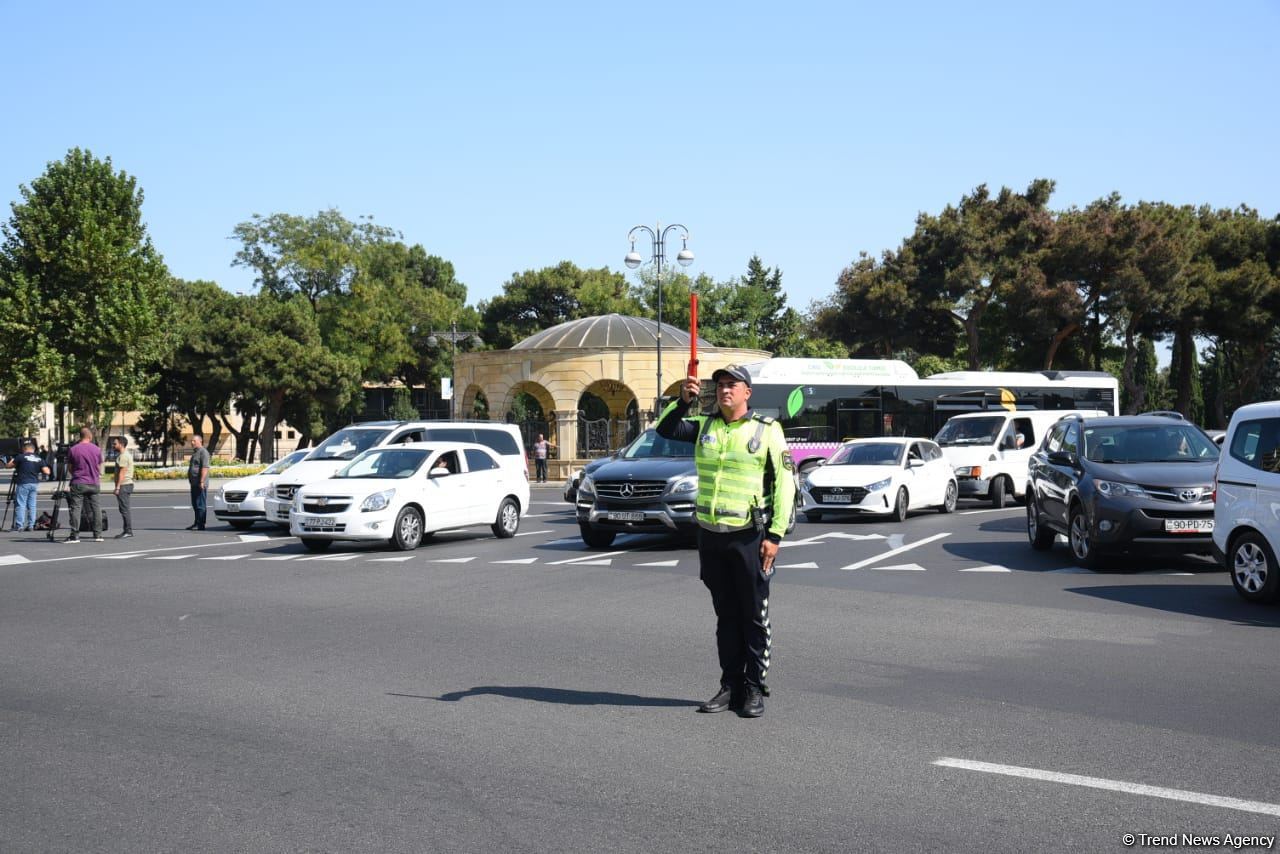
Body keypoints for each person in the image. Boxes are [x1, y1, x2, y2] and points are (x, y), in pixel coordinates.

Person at [656, 364, 795, 718]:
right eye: (719, 385)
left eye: (732, 385)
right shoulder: (705, 425)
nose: (723, 390)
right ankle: (730, 684)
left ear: (747, 392)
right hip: (711, 536)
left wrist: (775, 536)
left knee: (752, 616)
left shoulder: (766, 430)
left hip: (750, 536)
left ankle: (753, 688)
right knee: (725, 616)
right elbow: (666, 428)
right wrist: (682, 401)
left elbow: (785, 486)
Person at [64, 427, 104, 543]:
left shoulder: (73, 449)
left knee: (76, 508)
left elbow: (70, 468)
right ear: (90, 436)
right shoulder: (97, 449)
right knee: (96, 508)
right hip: (94, 482)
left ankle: (75, 535)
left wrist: (76, 475)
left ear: (80, 436)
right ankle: (98, 535)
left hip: (79, 482)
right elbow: (99, 467)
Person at [6, 439, 50, 531]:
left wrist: (13, 459)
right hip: (34, 483)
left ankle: (19, 525)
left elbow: (8, 466)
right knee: (32, 505)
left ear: (24, 449)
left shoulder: (21, 457)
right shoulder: (39, 458)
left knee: (21, 504)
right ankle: (31, 525)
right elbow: (47, 471)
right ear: (33, 449)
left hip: (23, 483)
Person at [111, 436, 135, 539]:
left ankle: (128, 531)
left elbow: (122, 472)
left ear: (121, 444)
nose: (113, 445)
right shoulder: (123, 455)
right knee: (124, 508)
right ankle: (127, 530)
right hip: (126, 484)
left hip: (124, 485)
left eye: (115, 443)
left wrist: (117, 487)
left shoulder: (124, 456)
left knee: (124, 509)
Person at [187, 434, 211, 530]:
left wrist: (201, 481)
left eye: (194, 441)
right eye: (191, 441)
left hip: (200, 483)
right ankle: (196, 522)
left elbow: (205, 467)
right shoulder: (195, 452)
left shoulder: (203, 452)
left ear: (200, 441)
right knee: (195, 504)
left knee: (201, 504)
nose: (192, 443)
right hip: (194, 483)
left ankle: (201, 524)